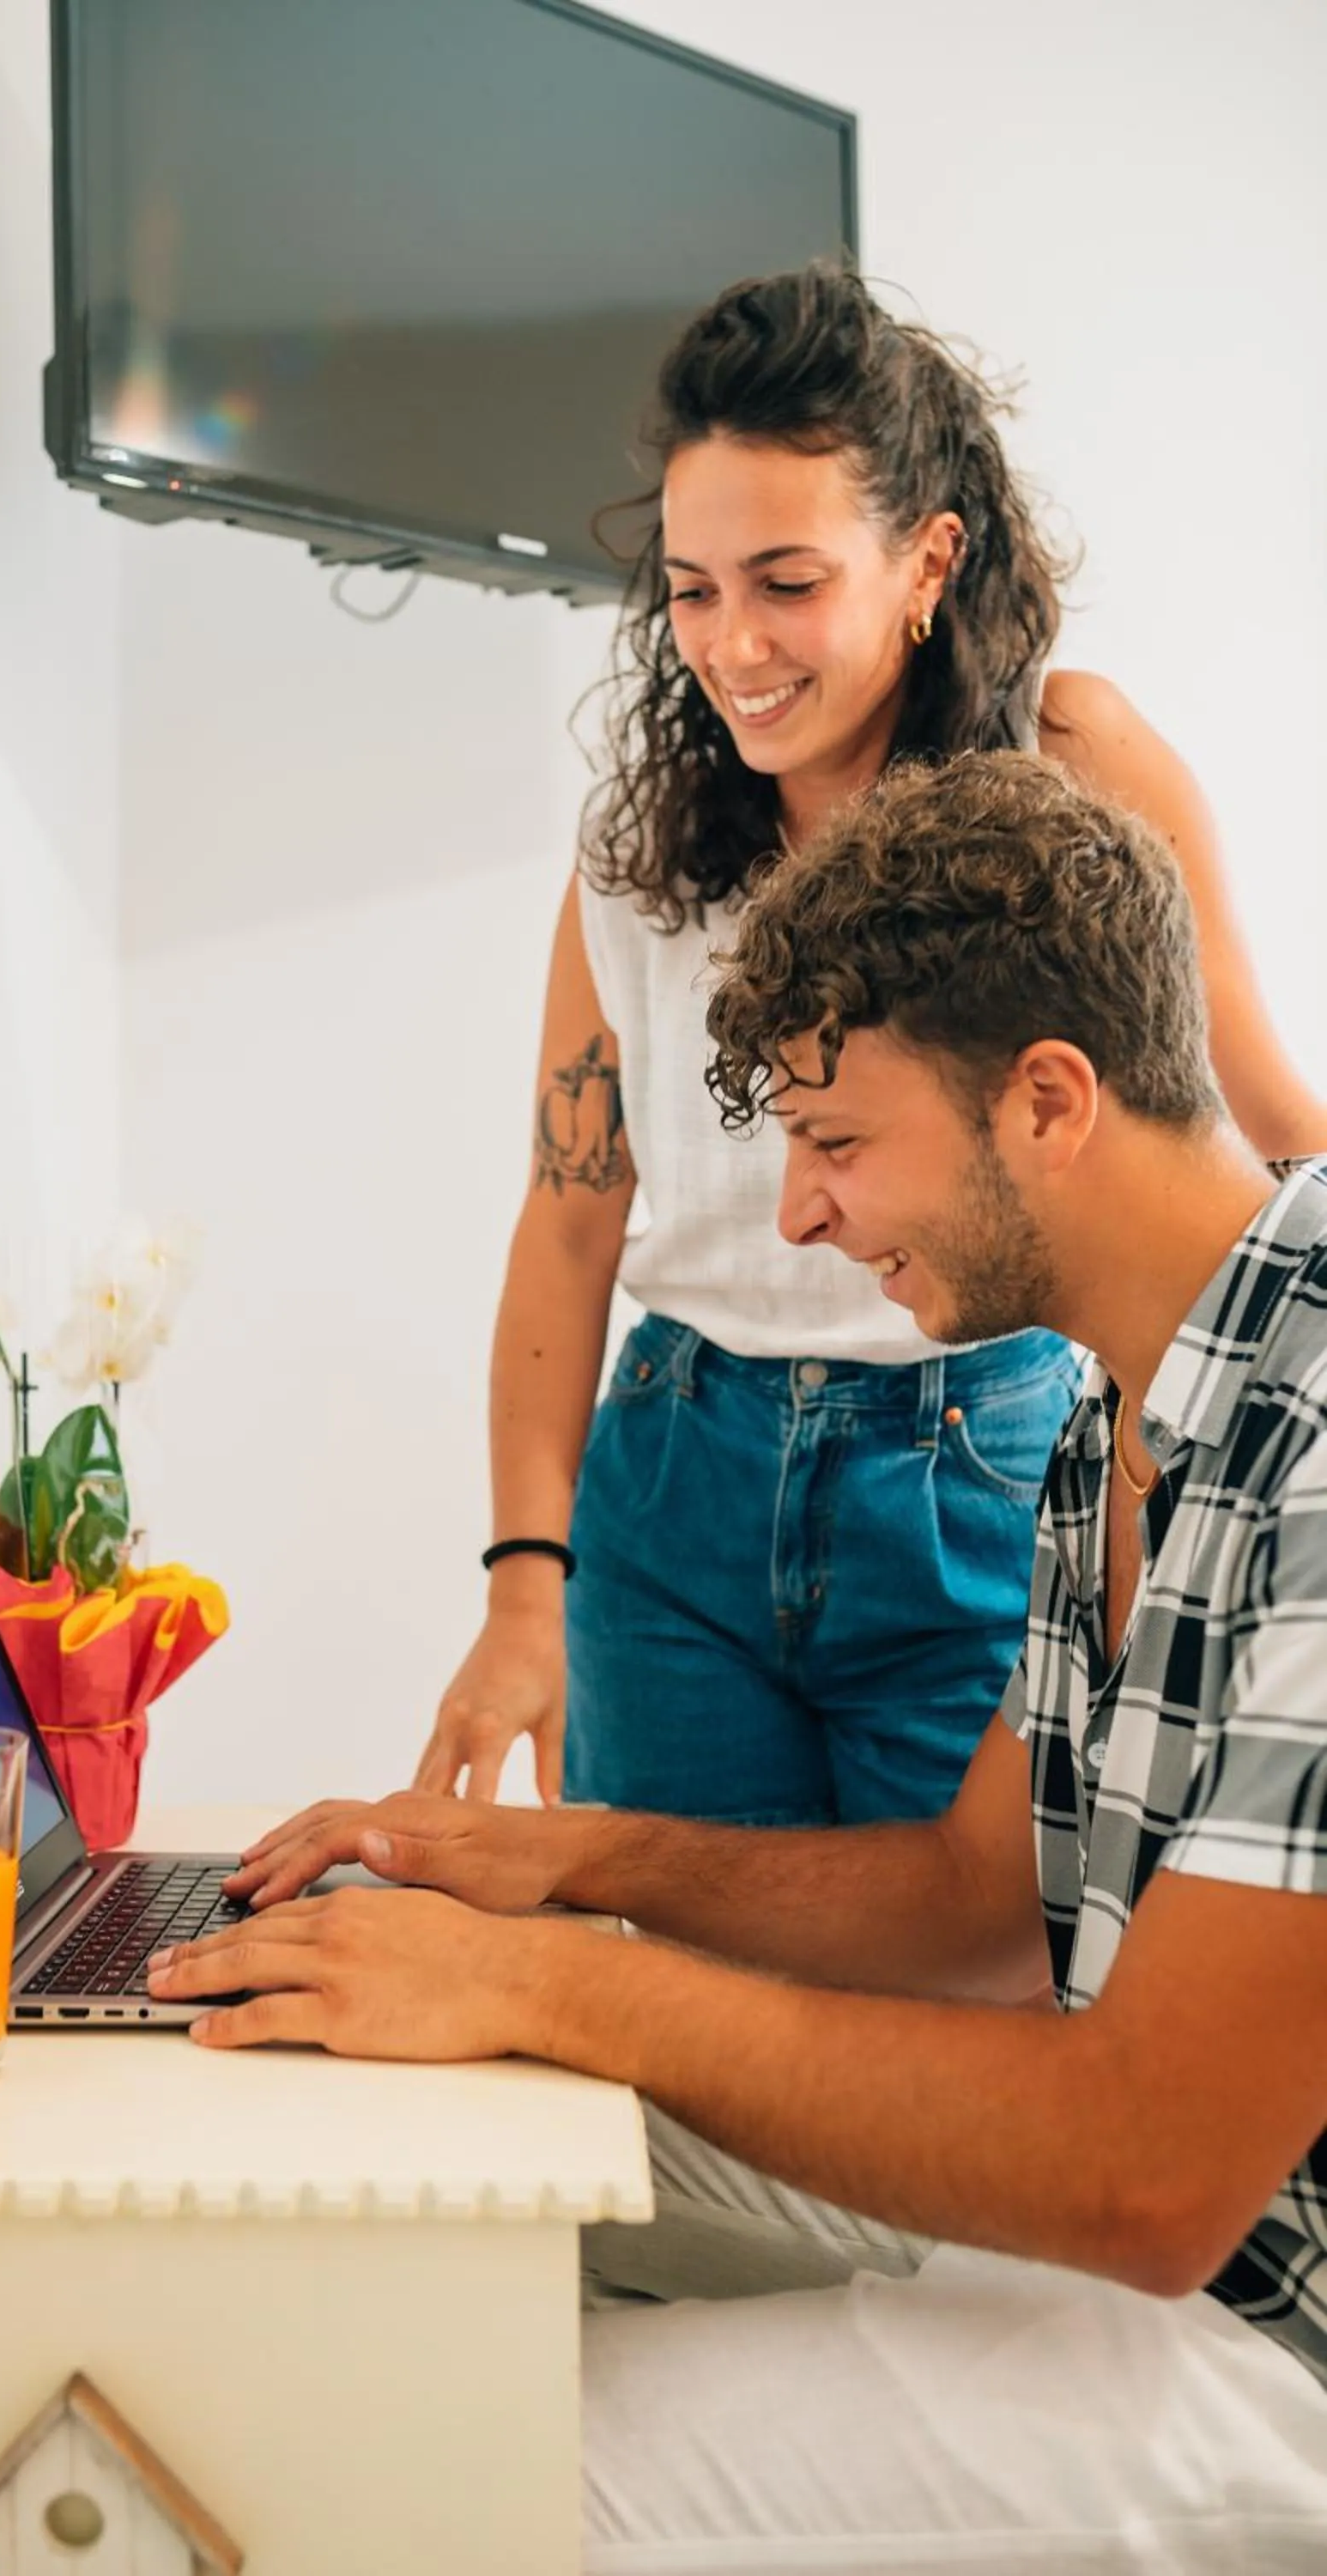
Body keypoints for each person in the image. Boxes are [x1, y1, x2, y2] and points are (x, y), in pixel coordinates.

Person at [151, 755, 1327, 2564]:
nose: (793, 1218)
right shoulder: (1114, 1405)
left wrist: (543, 1982)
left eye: (836, 1146)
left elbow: (1150, 2174)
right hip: (1134, 2251)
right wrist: (562, 1866)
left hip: (1266, 2351)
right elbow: (973, 1900)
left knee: (458, 2466)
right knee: (427, 2213)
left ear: (1047, 1102)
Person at [414, 264, 1325, 1829]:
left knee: (983, 1954)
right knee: (673, 1959)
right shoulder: (640, 850)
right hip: (678, 1478)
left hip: (984, 1463)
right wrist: (522, 1588)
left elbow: (1269, 1138)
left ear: (928, 562)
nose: (731, 644)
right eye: (692, 590)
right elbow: (569, 1224)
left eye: (786, 582)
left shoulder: (1075, 769)